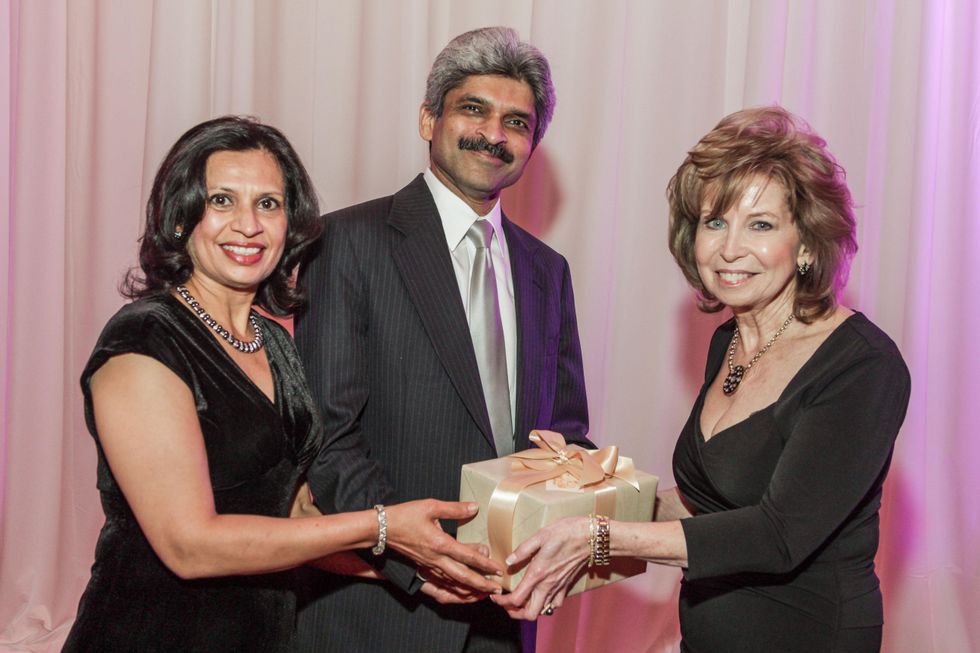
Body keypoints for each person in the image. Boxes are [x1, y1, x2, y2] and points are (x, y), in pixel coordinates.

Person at [63, 116, 502, 652]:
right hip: (150, 634)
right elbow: (189, 544)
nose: (248, 225)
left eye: (268, 204)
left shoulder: (273, 342)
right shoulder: (145, 340)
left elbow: (291, 514)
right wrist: (383, 526)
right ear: (181, 219)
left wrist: (419, 570)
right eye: (222, 200)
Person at [494, 106, 911, 653]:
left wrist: (597, 538)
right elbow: (706, 503)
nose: (730, 248)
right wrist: (585, 490)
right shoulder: (729, 341)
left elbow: (776, 535)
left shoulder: (862, 365)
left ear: (807, 243)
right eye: (716, 222)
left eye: (760, 224)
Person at [295, 27, 591, 653]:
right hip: (376, 610)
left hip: (503, 618)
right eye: (474, 109)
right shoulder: (346, 242)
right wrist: (414, 559)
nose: (494, 134)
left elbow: (564, 433)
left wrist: (575, 516)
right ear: (429, 119)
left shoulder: (548, 271)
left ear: (532, 144)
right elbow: (327, 434)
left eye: (518, 122)